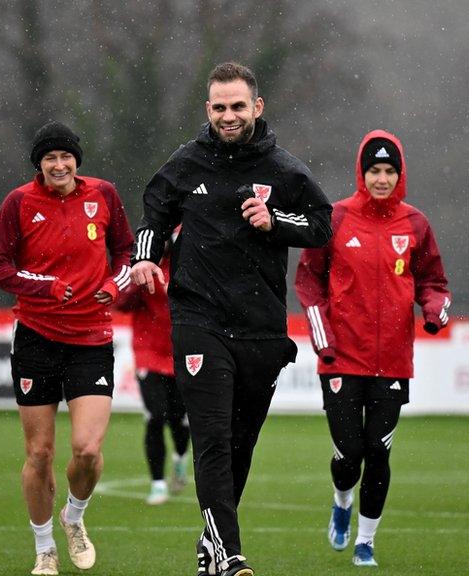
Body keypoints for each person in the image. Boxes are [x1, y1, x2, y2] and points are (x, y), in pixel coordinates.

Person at [130, 62, 332, 576]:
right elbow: (154, 210)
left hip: (261, 327)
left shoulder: (284, 170)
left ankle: (210, 545)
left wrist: (275, 220)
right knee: (213, 437)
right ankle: (230, 557)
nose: (228, 115)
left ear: (256, 108)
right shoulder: (187, 162)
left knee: (240, 445)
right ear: (207, 110)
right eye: (219, 107)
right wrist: (146, 257)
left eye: (238, 106)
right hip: (198, 317)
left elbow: (321, 224)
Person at [295, 130, 451, 568]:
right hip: (342, 358)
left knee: (379, 452)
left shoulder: (416, 224)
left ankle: (366, 540)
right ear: (361, 174)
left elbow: (434, 283)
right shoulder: (337, 218)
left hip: (393, 363)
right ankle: (341, 498)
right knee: (349, 453)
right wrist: (324, 342)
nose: (381, 179)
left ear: (399, 175)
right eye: (374, 171)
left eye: (388, 171)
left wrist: (435, 310)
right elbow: (309, 284)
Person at [0, 121, 134, 575]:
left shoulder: (103, 195)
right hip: (36, 337)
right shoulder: (19, 203)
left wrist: (115, 283)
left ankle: (74, 517)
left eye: (65, 156)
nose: (59, 164)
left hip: (92, 338)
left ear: (76, 161)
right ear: (39, 165)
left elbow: (127, 251)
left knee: (87, 450)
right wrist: (44, 286)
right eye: (50, 158)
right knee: (40, 453)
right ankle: (44, 547)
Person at [116, 234, 191, 506]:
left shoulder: (189, 264)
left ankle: (180, 458)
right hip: (148, 353)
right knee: (155, 416)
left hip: (182, 352)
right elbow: (121, 304)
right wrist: (140, 273)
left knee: (179, 419)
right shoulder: (147, 265)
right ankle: (158, 483)